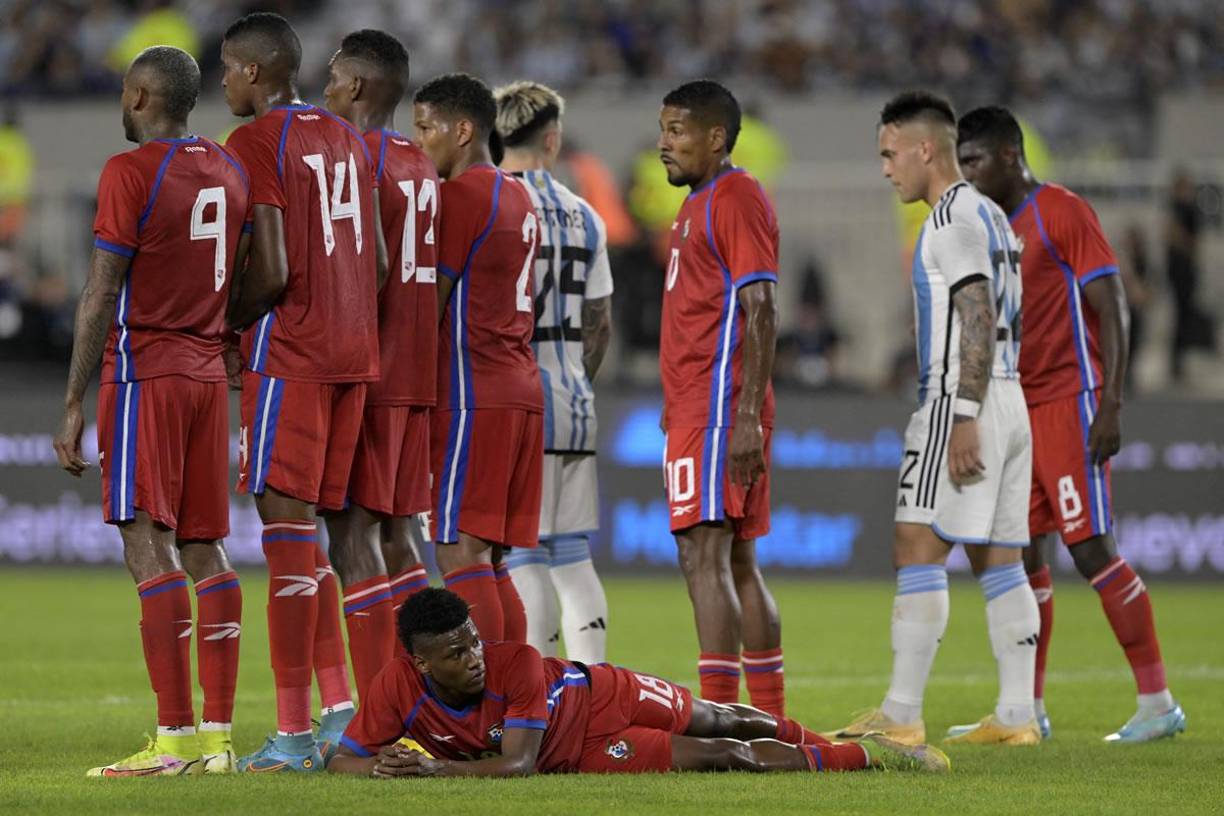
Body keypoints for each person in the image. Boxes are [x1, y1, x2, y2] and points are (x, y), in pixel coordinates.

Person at [957, 105, 1186, 743]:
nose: (966, 174)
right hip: (1018, 408)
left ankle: (1158, 703)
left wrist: (1111, 402)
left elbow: (1113, 304)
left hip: (1069, 401)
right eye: (960, 163)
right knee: (1026, 558)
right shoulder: (990, 228)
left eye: (974, 160)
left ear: (1009, 155)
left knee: (1090, 551)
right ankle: (1026, 710)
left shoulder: (1061, 211)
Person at [52, 46, 249, 776]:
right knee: (204, 547)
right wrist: (228, 341)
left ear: (139, 97)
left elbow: (102, 290)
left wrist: (73, 400)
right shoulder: (228, 168)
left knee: (145, 540)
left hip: (144, 373)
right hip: (206, 377)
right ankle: (218, 742)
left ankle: (172, 742)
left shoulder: (129, 171)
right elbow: (250, 269)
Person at [828, 91, 1040, 746]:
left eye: (891, 154)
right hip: (1010, 395)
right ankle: (1017, 716)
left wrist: (965, 411)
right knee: (1001, 559)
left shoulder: (950, 220)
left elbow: (977, 310)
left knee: (916, 547)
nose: (886, 168)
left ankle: (901, 714)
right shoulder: (994, 215)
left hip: (961, 400)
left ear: (926, 149)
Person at [220, 11, 387, 772]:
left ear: (254, 71)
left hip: (292, 356)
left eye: (228, 68)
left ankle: (291, 735)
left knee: (286, 540)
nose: (224, 82)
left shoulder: (256, 141)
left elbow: (275, 268)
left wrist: (225, 325)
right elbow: (375, 262)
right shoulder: (346, 136)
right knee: (312, 540)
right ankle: (340, 707)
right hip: (354, 358)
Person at [327, 588, 950, 777]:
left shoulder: (514, 661)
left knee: (726, 718)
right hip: (586, 751)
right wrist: (381, 767)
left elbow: (517, 765)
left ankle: (823, 739)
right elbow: (341, 760)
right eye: (456, 653)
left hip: (603, 694)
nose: (474, 658)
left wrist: (433, 770)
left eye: (473, 640)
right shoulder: (396, 686)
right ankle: (866, 756)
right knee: (725, 756)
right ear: (422, 664)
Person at [655, 79, 785, 717]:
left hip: (716, 406)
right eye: (662, 130)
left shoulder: (735, 196)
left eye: (676, 131)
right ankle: (768, 720)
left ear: (715, 137)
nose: (663, 144)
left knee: (703, 553)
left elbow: (761, 307)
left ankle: (722, 719)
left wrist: (745, 418)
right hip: (700, 405)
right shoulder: (698, 202)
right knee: (733, 559)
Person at [320, 29, 438, 700]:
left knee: (352, 534)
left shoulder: (353, 156)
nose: (325, 90)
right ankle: (423, 697)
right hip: (416, 373)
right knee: (399, 536)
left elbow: (366, 269)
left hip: (369, 370)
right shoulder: (419, 161)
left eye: (333, 78)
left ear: (358, 85)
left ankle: (379, 707)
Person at [412, 73, 540, 644]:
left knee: (459, 550)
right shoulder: (517, 193)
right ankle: (516, 686)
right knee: (489, 558)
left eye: (425, 128)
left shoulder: (460, 197)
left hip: (471, 391)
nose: (419, 142)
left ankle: (487, 690)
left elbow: (427, 305)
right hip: (518, 387)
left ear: (462, 130)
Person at [494, 80, 611, 664]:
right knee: (571, 553)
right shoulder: (586, 215)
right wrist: (574, 378)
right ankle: (595, 681)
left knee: (521, 552)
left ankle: (539, 684)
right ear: (553, 138)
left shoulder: (493, 203)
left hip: (512, 400)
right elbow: (600, 323)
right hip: (574, 400)